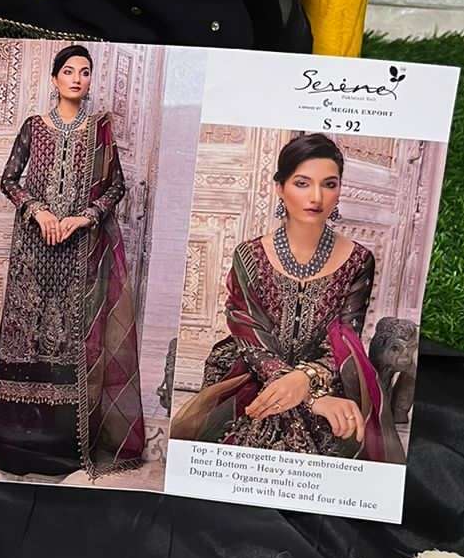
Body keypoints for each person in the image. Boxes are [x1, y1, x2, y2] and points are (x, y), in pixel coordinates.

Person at [170, 134, 402, 461]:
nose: (316, 197)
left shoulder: (358, 260)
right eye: (302, 183)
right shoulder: (250, 255)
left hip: (324, 375)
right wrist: (306, 396)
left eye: (329, 184)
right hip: (253, 369)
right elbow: (250, 338)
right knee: (249, 432)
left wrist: (308, 380)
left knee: (340, 433)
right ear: (280, 187)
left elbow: (344, 339)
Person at [0, 45, 145, 479]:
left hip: (80, 251)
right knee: (27, 334)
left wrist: (83, 218)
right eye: (68, 71)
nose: (76, 79)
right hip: (33, 249)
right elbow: (8, 180)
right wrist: (40, 212)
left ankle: (64, 450)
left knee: (72, 337)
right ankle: (13, 444)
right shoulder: (34, 127)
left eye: (84, 73)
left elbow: (117, 187)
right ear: (55, 79)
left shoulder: (100, 131)